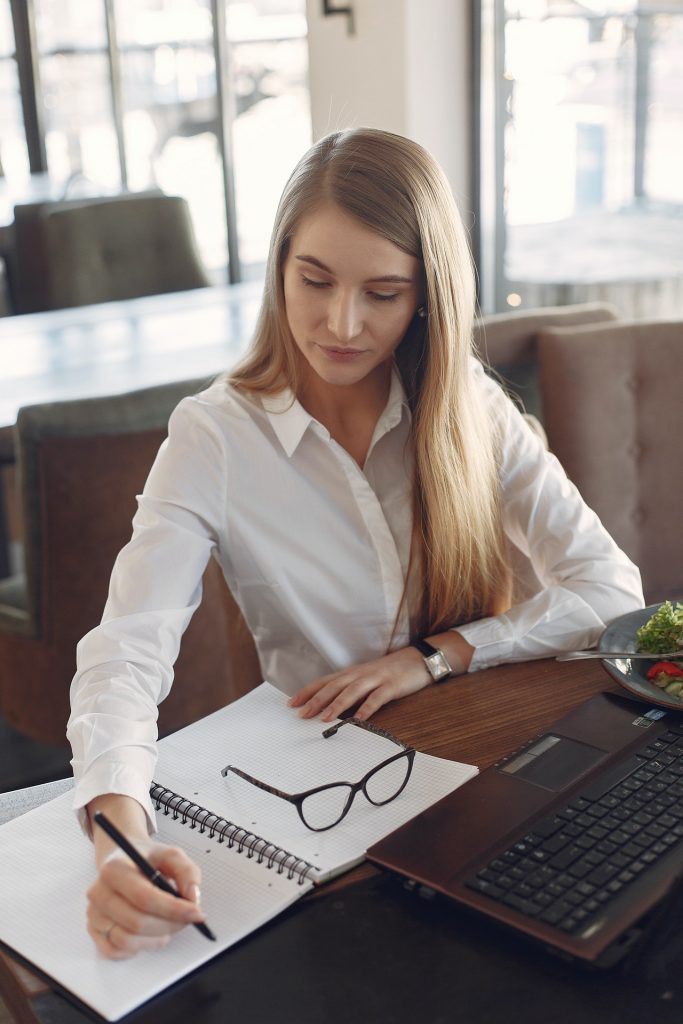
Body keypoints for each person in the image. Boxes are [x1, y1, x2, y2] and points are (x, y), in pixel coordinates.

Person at [67, 127, 644, 958]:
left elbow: (610, 590)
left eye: (382, 292)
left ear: (424, 300)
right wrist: (118, 831)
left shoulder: (465, 404)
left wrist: (438, 655)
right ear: (280, 268)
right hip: (326, 798)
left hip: (488, 761)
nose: (340, 323)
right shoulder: (213, 438)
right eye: (314, 280)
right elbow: (124, 655)